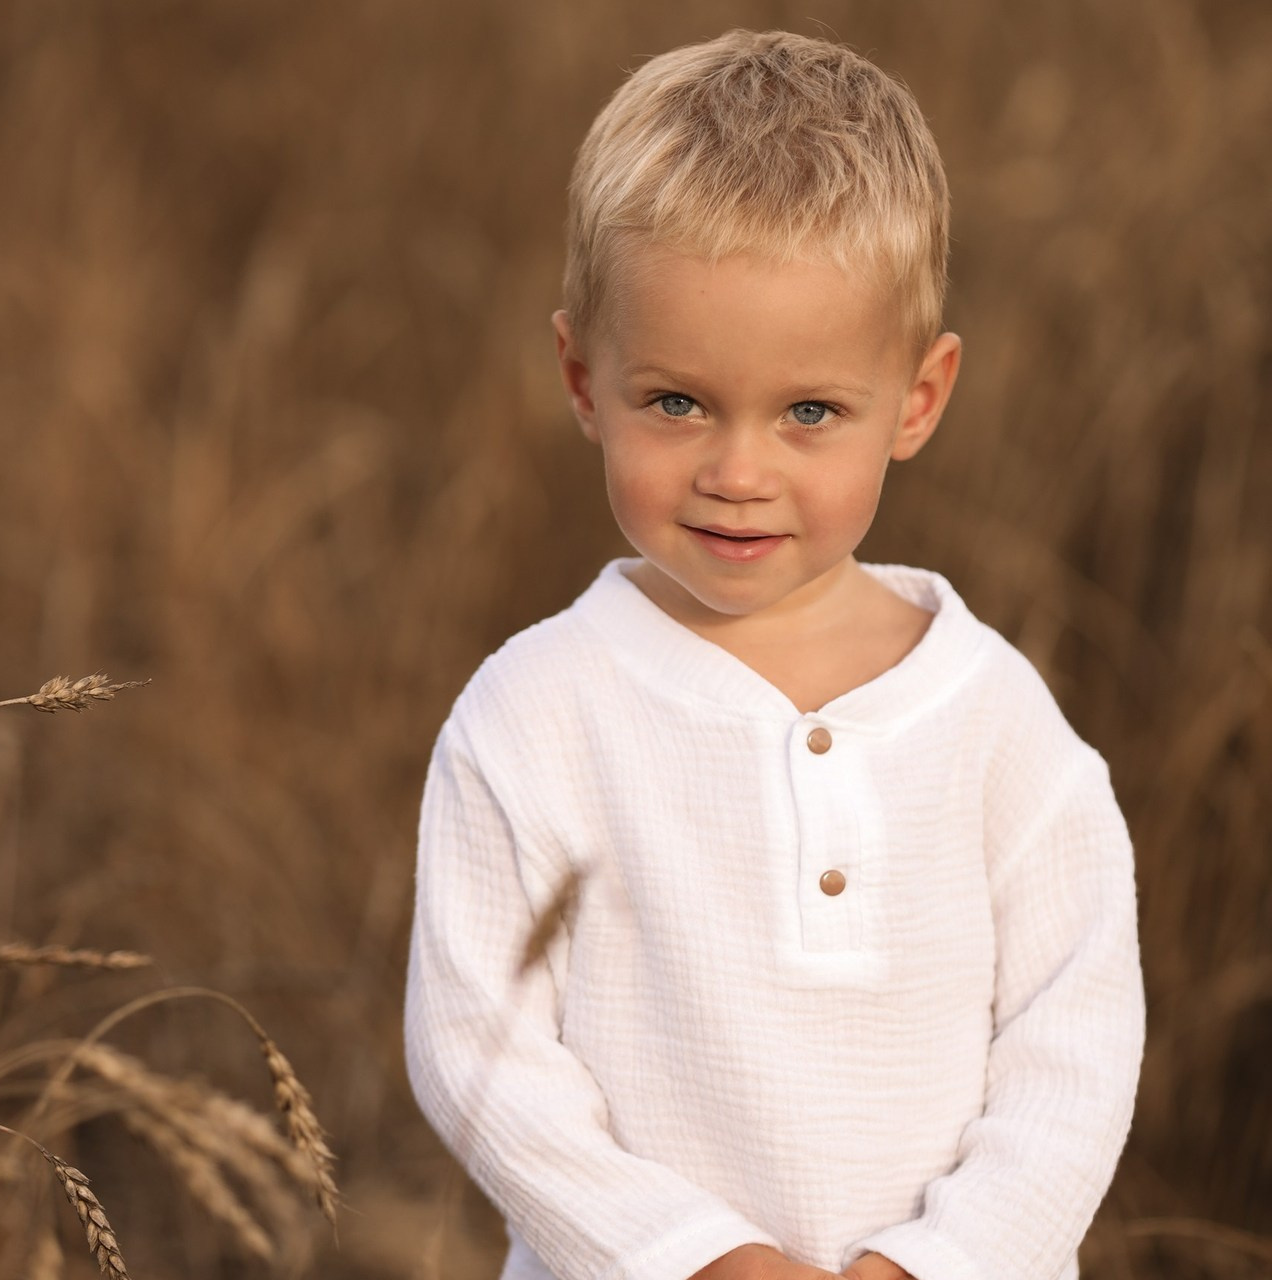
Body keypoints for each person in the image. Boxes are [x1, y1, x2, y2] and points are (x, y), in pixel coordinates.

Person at [404, 29, 1144, 1280]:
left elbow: (1072, 1041)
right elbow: (476, 1049)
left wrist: (933, 1264)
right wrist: (695, 1258)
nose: (737, 472)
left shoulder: (995, 721)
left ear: (915, 398)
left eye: (809, 411)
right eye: (676, 401)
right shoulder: (532, 711)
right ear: (584, 377)